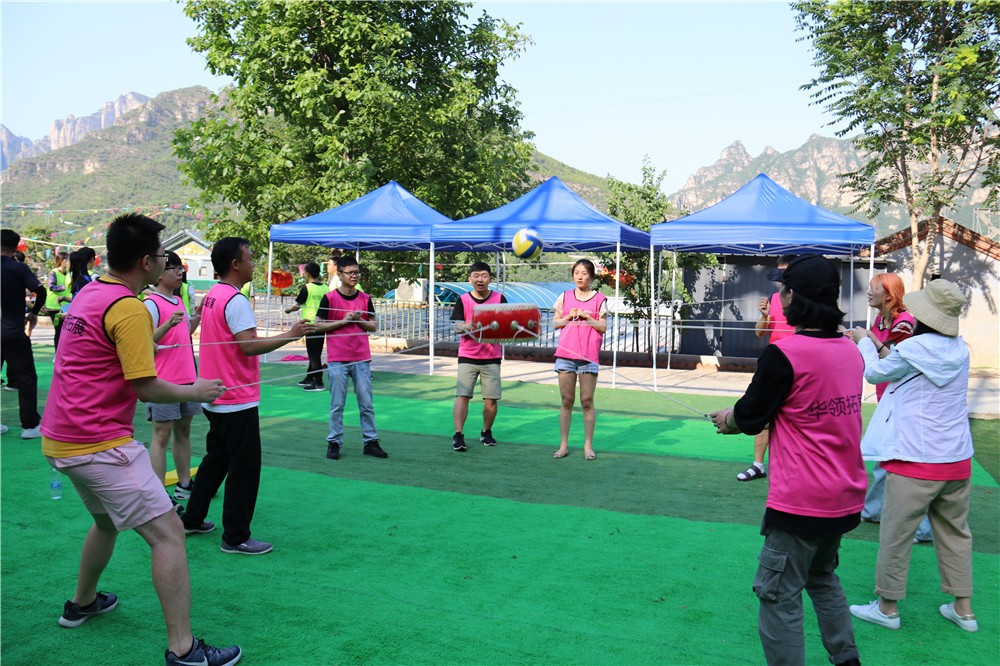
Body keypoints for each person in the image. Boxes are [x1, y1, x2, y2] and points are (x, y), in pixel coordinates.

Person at [38, 213, 240, 666]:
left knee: (106, 522)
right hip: (97, 445)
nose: (169, 264)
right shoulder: (127, 306)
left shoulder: (91, 292)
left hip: (61, 441)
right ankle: (184, 650)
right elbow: (145, 387)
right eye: (164, 257)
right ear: (147, 261)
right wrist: (196, 391)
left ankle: (83, 602)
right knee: (169, 534)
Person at [710, 254, 865, 666]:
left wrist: (728, 420)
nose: (779, 295)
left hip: (801, 502)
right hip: (844, 497)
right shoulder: (852, 351)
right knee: (822, 576)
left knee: (778, 594)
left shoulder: (784, 354)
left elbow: (750, 415)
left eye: (783, 288)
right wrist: (740, 416)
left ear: (795, 296)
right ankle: (847, 659)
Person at [848, 279, 978, 633]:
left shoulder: (915, 347)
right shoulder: (960, 349)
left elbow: (874, 372)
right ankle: (964, 610)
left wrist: (864, 343)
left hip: (915, 461)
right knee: (955, 534)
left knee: (896, 534)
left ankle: (887, 608)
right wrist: (876, 344)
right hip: (957, 460)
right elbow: (903, 365)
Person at [180, 237, 313, 556]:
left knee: (216, 460)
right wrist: (290, 335)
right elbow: (248, 346)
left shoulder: (214, 294)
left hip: (217, 394)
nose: (254, 263)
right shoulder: (235, 300)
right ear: (235, 264)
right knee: (244, 468)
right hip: (235, 398)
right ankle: (236, 537)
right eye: (250, 258)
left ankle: (192, 519)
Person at [855, 273, 932, 542]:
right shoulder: (881, 319)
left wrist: (868, 343)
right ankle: (874, 509)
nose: (868, 291)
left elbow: (897, 364)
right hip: (889, 396)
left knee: (904, 464)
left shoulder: (904, 323)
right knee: (887, 457)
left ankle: (921, 527)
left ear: (889, 294)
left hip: (903, 397)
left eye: (873, 288)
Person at [144, 251, 202, 505]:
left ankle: (184, 485)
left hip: (187, 375)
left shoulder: (178, 300)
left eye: (181, 268)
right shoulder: (151, 304)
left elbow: (184, 333)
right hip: (163, 381)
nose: (179, 273)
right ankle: (158, 494)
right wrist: (167, 324)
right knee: (161, 436)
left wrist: (197, 315)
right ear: (158, 272)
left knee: (184, 431)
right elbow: (145, 342)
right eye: (173, 268)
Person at [315, 256, 387, 460]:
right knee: (337, 404)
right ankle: (334, 442)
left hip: (361, 358)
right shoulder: (329, 298)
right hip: (337, 358)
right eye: (350, 272)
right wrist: (343, 321)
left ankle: (371, 442)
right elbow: (318, 325)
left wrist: (359, 319)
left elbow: (373, 325)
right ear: (339, 274)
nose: (354, 276)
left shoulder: (365, 298)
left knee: (366, 403)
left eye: (357, 272)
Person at [738, 254, 795, 482]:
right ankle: (758, 465)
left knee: (791, 417)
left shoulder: (805, 300)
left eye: (785, 270)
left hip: (797, 364)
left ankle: (790, 467)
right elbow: (760, 331)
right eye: (779, 270)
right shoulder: (773, 298)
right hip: (775, 362)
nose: (780, 275)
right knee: (765, 413)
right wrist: (764, 315)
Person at [552, 259, 607, 461]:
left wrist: (586, 316)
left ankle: (588, 446)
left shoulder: (599, 299)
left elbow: (603, 327)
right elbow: (556, 323)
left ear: (591, 276)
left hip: (588, 357)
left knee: (586, 401)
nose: (580, 277)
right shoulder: (565, 296)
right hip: (565, 356)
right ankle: (563, 445)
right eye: (576, 273)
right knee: (566, 401)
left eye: (584, 273)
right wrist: (568, 317)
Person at [450, 261, 508, 452]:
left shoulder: (500, 299)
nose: (480, 279)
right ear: (470, 279)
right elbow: (457, 326)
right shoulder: (463, 299)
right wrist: (467, 326)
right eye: (476, 276)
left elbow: (507, 325)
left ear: (490, 279)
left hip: (492, 357)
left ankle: (486, 431)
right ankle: (458, 434)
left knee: (491, 399)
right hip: (467, 356)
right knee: (462, 395)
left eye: (484, 275)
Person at [0, 229, 46, 439]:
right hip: (13, 332)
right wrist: (34, 313)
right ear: (15, 247)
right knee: (26, 377)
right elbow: (41, 291)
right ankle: (30, 425)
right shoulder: (19, 268)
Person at [284, 262, 328, 392]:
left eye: (304, 272)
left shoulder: (307, 288)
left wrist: (288, 310)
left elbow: (297, 305)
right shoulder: (326, 288)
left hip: (310, 325)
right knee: (315, 352)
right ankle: (309, 377)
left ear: (307, 274)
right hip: (322, 324)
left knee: (313, 354)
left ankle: (318, 382)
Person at [44, 251, 71, 349]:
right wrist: (63, 287)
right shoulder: (53, 272)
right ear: (62, 261)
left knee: (65, 331)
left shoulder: (68, 273)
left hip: (65, 306)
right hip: (54, 308)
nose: (69, 262)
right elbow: (51, 286)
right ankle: (57, 352)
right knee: (58, 329)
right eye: (67, 260)